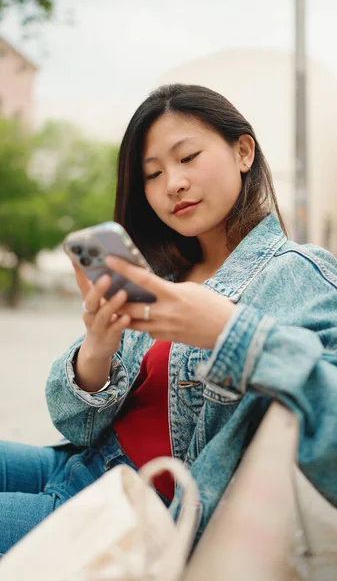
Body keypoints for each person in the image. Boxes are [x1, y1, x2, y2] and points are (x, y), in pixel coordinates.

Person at [1, 83, 337, 556]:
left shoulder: (297, 275)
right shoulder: (165, 275)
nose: (172, 184)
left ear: (243, 152)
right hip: (80, 468)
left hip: (135, 517)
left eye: (187, 157)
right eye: (152, 174)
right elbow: (76, 427)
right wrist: (98, 348)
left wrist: (228, 332)